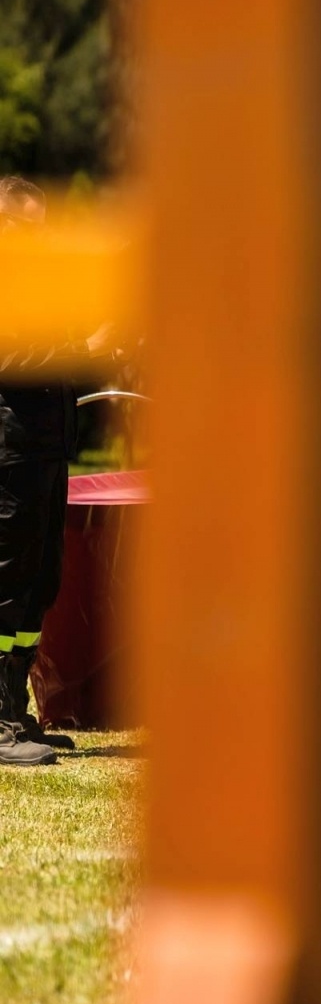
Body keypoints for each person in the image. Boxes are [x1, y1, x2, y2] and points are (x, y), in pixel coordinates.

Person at [0, 176, 116, 765]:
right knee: (6, 583)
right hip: (9, 452)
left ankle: (14, 714)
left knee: (38, 583)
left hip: (44, 449)